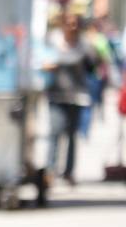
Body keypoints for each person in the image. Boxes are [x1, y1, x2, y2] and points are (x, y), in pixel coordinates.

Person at [41, 10, 98, 187]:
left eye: (75, 23)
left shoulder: (84, 44)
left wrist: (94, 45)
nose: (72, 26)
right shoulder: (52, 40)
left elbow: (93, 66)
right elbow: (40, 58)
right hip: (56, 93)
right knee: (55, 132)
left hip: (76, 95)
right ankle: (50, 171)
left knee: (71, 135)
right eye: (69, 23)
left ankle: (69, 172)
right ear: (62, 24)